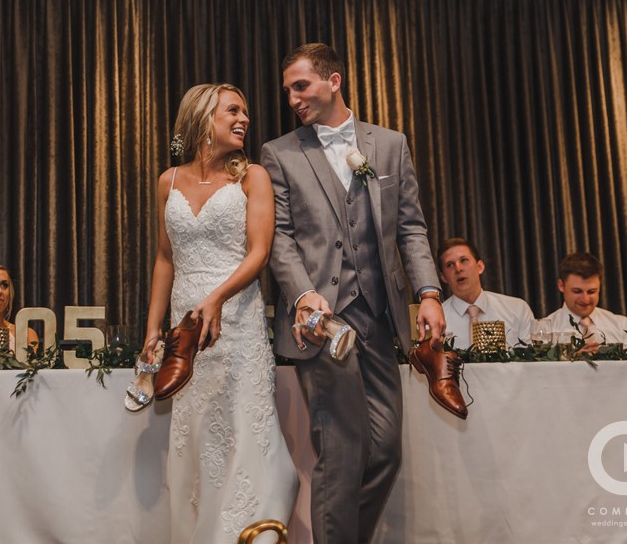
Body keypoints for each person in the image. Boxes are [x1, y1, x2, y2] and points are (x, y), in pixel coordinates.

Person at [261, 43, 445, 543]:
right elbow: (279, 238)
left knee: (384, 451)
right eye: (288, 91)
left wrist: (429, 292)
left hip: (378, 318)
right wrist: (303, 295)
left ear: (334, 81)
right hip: (319, 322)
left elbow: (411, 227)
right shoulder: (279, 153)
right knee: (342, 449)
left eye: (301, 86)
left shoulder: (390, 144)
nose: (293, 99)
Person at [141, 82, 298, 542]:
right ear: (203, 118)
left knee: (242, 427)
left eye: (245, 112)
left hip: (237, 323)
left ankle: (249, 532)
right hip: (186, 331)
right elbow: (165, 258)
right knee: (197, 436)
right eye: (233, 110)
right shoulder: (168, 181)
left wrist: (217, 298)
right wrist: (153, 329)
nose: (244, 119)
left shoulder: (253, 177)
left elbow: (259, 252)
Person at [437, 237, 535, 349]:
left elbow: (532, 358)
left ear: (480, 267)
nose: (458, 269)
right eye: (450, 265)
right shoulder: (437, 320)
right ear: (443, 277)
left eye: (463, 260)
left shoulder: (517, 309)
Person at [541, 252, 627, 352]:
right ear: (561, 286)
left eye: (591, 291)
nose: (585, 299)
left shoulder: (624, 326)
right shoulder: (544, 332)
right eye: (577, 291)